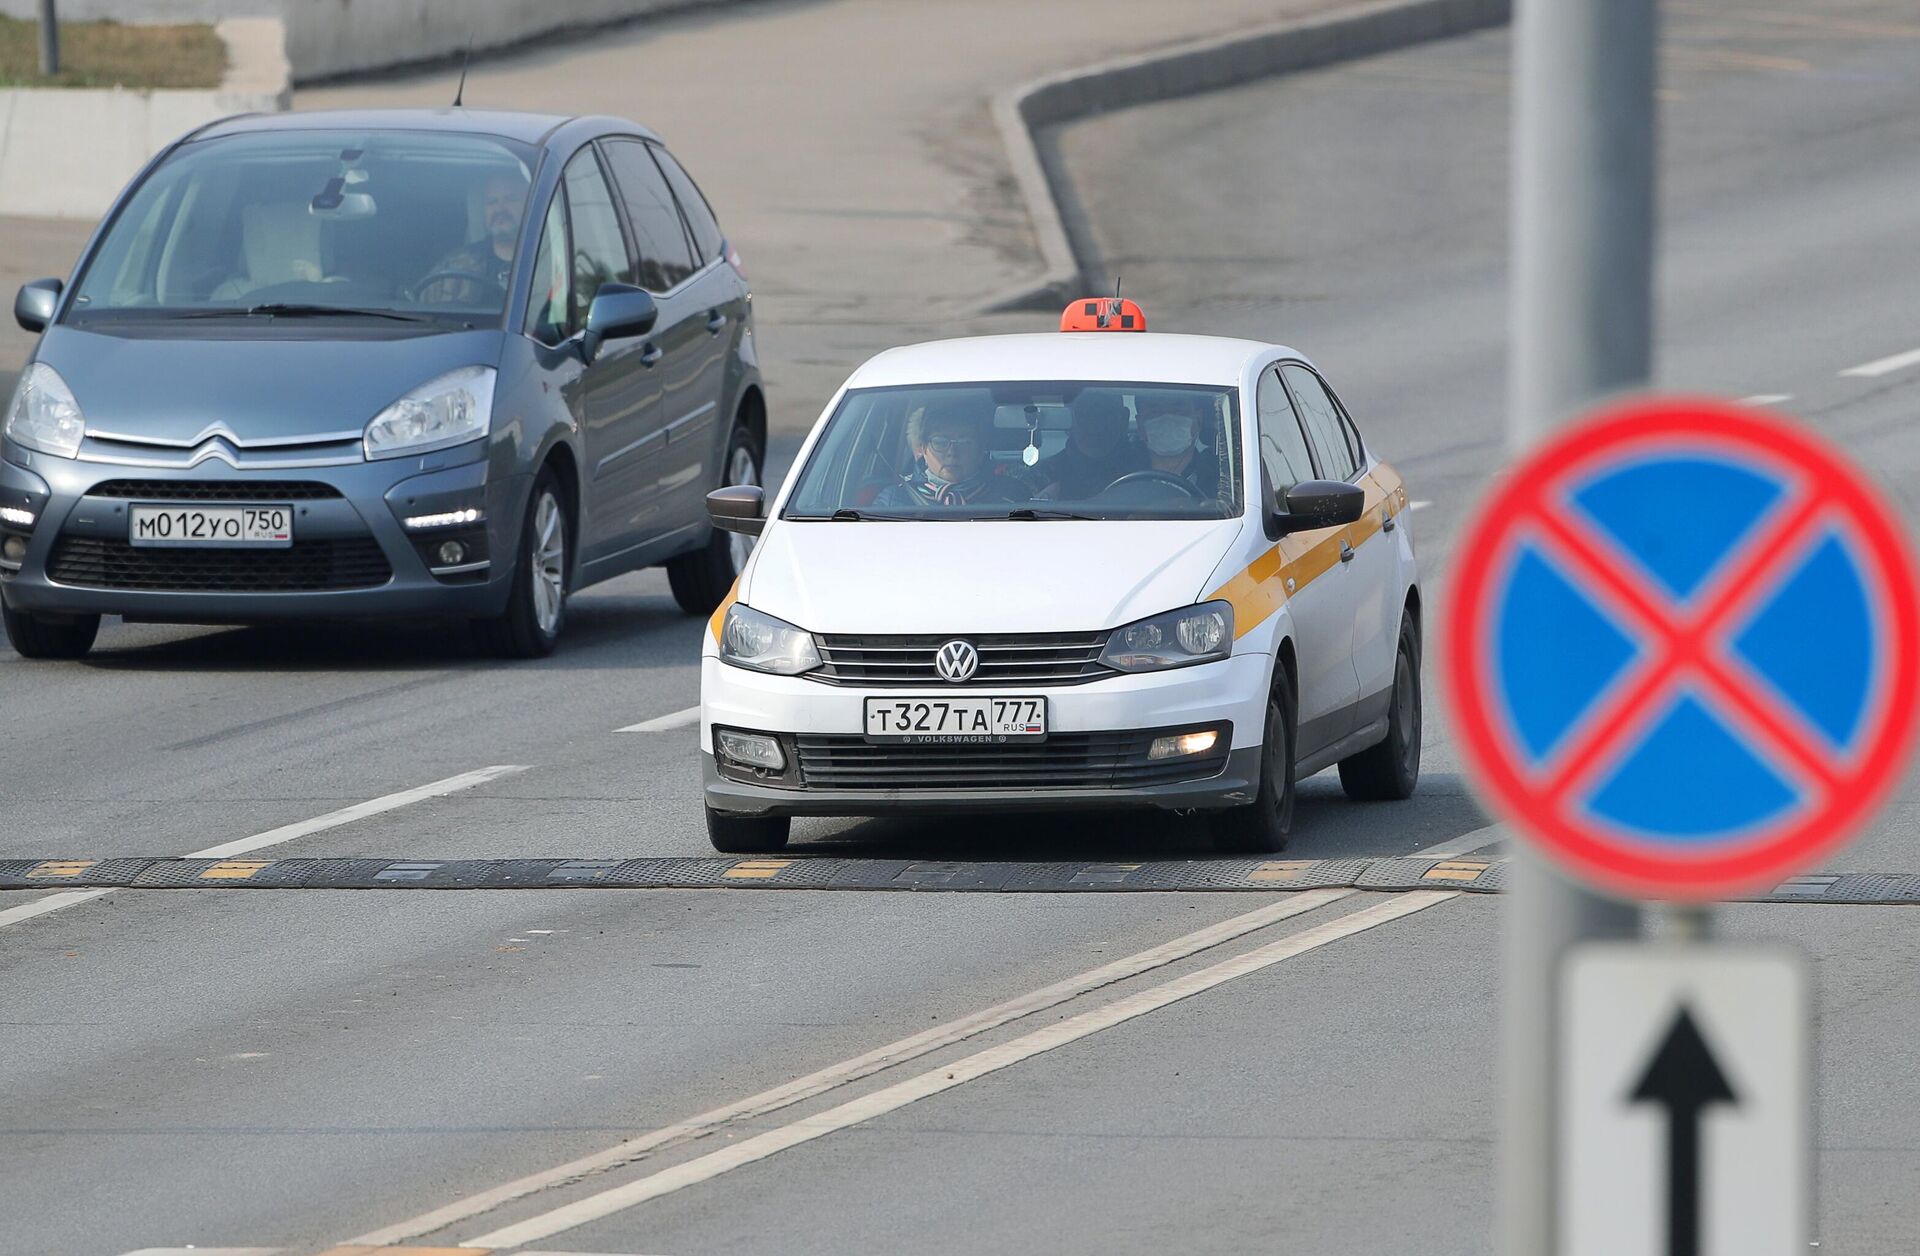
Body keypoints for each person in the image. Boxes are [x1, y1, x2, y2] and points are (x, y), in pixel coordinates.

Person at [873, 398, 1020, 508]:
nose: (952, 452)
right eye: (940, 442)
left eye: (964, 443)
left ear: (981, 449)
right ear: (923, 448)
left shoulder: (1011, 495)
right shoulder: (892, 501)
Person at [417, 170, 527, 303]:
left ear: (528, 204)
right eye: (492, 202)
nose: (500, 209)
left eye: (510, 199)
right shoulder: (454, 265)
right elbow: (424, 313)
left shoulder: (549, 263)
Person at [1038, 390, 1144, 498]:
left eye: (1106, 415)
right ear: (1069, 420)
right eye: (1085, 414)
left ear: (1123, 418)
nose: (1096, 427)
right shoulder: (1045, 475)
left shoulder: (1146, 465)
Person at [1139, 391, 1224, 499]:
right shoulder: (1118, 476)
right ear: (1140, 425)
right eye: (1155, 409)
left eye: (1177, 408)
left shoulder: (1222, 478)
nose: (1167, 418)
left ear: (1198, 419)